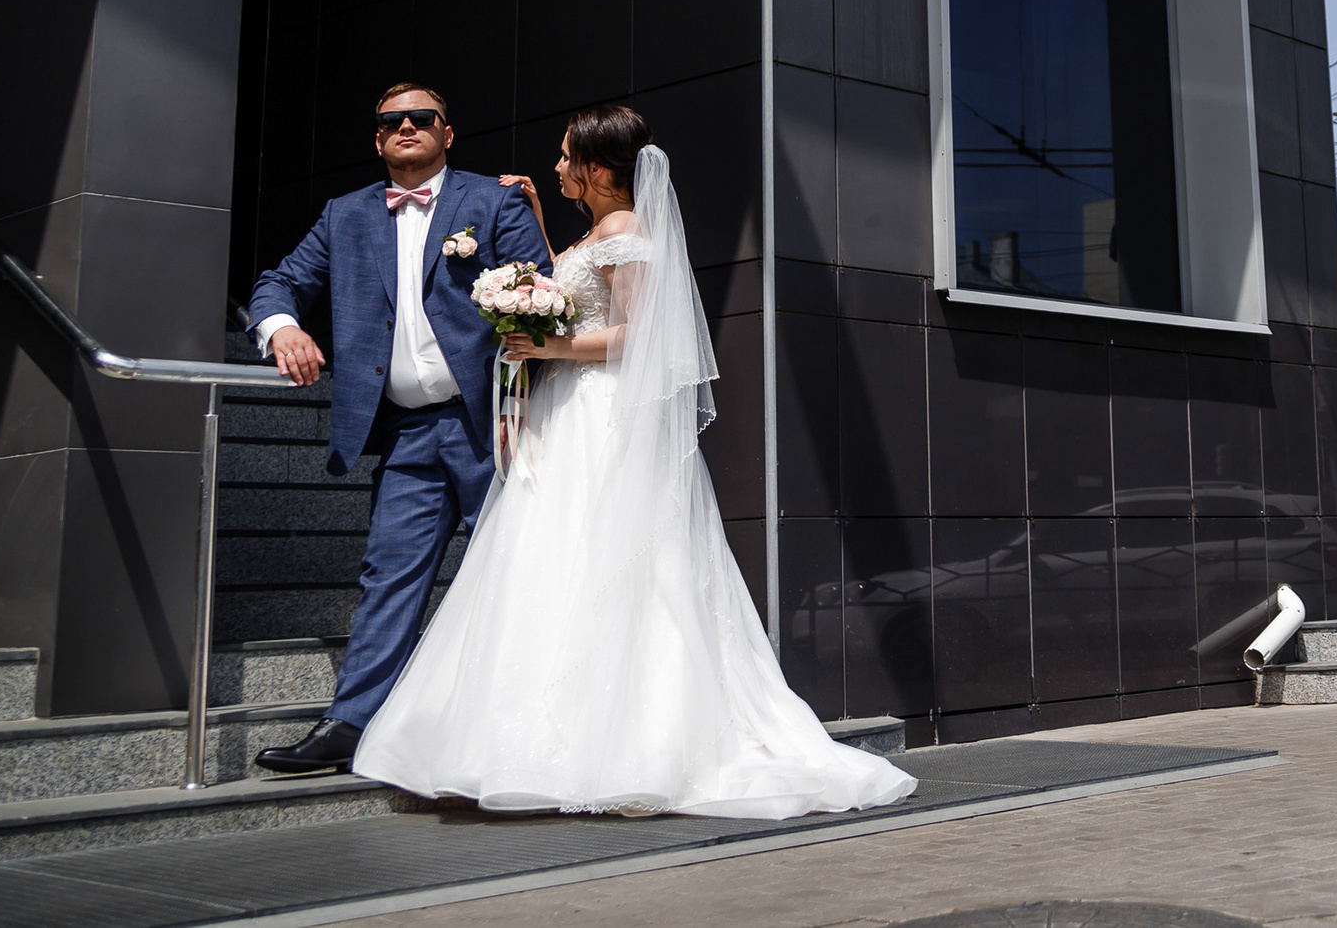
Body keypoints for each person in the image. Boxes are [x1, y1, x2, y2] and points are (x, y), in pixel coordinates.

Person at [349, 104, 916, 817]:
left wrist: (549, 347)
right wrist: (541, 251)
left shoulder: (625, 234)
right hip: (572, 408)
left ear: (595, 168)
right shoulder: (600, 231)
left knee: (604, 562)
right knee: (568, 565)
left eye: (564, 157)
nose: (555, 166)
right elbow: (581, 299)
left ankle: (617, 749)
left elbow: (639, 334)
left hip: (602, 412)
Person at [248, 85, 543, 775]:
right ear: (377, 140)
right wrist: (283, 326)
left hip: (490, 428)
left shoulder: (490, 200)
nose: (406, 126)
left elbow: (540, 289)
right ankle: (350, 722)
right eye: (391, 121)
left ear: (448, 132)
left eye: (421, 118)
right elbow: (278, 283)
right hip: (406, 435)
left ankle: (511, 725)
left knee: (510, 575)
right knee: (389, 576)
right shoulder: (344, 215)